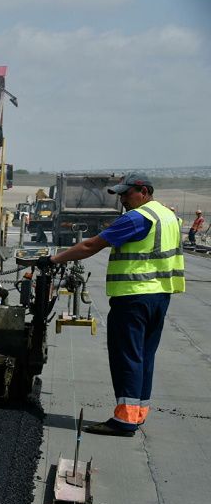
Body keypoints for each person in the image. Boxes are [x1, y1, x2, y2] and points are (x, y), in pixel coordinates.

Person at [39, 173, 184, 437]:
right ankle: (137, 413)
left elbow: (92, 245)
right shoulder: (169, 216)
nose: (122, 200)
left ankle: (124, 420)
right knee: (144, 357)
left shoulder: (138, 218)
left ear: (143, 191)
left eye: (126, 194)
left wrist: (53, 260)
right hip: (160, 297)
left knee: (126, 356)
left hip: (134, 298)